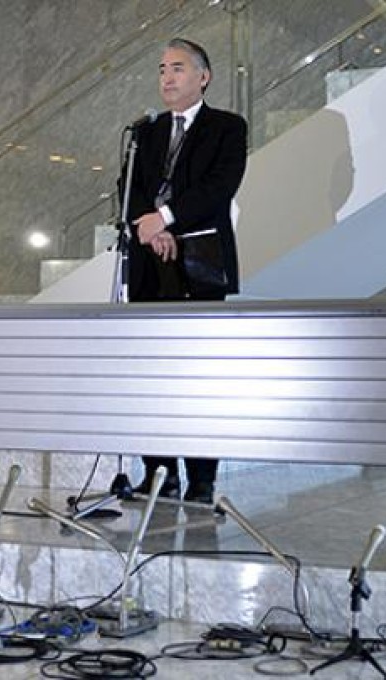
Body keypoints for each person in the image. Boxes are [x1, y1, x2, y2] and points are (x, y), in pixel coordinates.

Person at [125, 38, 248, 503]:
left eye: (177, 68)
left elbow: (220, 187)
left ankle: (200, 480)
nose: (167, 77)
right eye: (161, 69)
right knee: (149, 374)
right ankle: (159, 473)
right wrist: (149, 226)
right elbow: (129, 186)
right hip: (149, 265)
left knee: (198, 375)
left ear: (204, 76)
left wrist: (168, 218)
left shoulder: (227, 127)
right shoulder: (145, 132)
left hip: (200, 264)